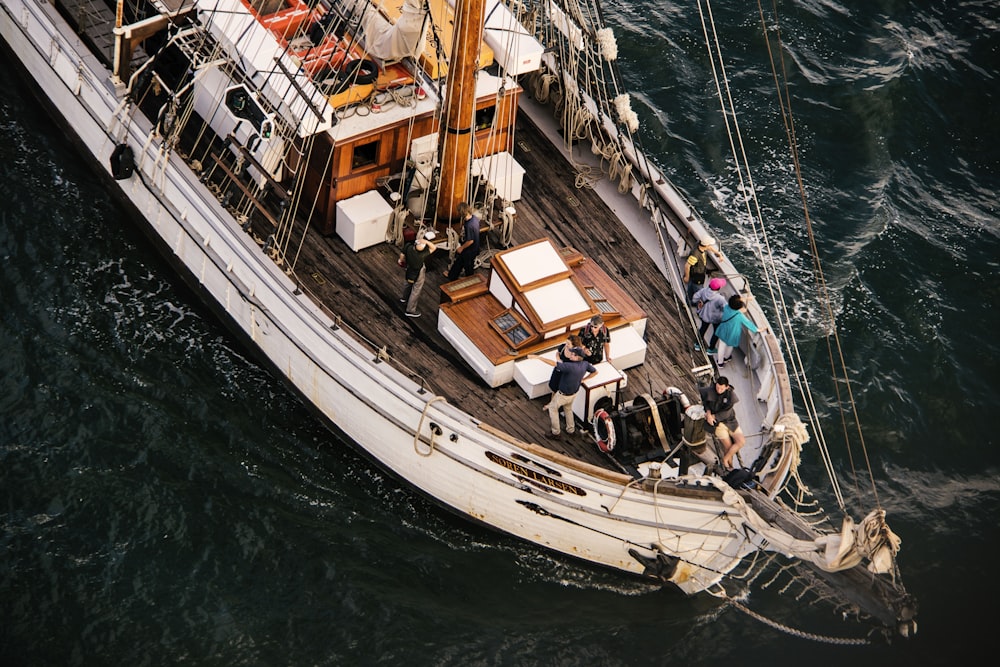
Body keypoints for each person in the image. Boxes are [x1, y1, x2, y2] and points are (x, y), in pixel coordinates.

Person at [529, 347, 597, 440]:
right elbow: (595, 372)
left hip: (562, 395)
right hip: (573, 393)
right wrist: (584, 379)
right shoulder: (585, 364)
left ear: (577, 357)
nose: (570, 355)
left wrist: (539, 358)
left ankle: (556, 432)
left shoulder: (569, 366)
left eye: (572, 354)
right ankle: (571, 430)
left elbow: (554, 364)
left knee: (553, 409)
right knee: (568, 409)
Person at [699, 376, 744, 469]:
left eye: (721, 388)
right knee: (728, 447)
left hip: (730, 421)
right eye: (717, 387)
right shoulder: (709, 391)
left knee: (741, 442)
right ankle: (730, 467)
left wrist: (712, 417)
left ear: (727, 387)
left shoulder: (731, 396)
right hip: (718, 425)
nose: (719, 390)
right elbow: (705, 402)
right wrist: (708, 413)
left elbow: (727, 412)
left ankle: (725, 459)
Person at [399, 230, 438, 318]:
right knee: (416, 290)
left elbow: (402, 256)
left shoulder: (408, 247)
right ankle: (410, 310)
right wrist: (426, 242)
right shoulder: (422, 255)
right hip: (418, 272)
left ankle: (404, 298)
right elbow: (433, 248)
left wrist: (402, 261)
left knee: (408, 284)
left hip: (409, 269)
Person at [714, 294, 759, 368]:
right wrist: (758, 329)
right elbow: (748, 324)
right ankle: (726, 357)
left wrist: (746, 299)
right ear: (739, 307)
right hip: (733, 334)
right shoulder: (739, 315)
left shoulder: (726, 307)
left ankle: (720, 362)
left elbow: (734, 302)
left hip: (723, 330)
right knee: (730, 346)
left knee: (721, 346)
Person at [444, 202, 481, 281]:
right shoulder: (474, 218)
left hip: (469, 250)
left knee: (468, 266)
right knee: (459, 262)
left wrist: (461, 248)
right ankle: (452, 275)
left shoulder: (469, 225)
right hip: (475, 248)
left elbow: (470, 240)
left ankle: (469, 280)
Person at [683, 236, 723, 305]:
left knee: (690, 290)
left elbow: (709, 248)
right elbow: (687, 266)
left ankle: (687, 303)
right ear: (706, 245)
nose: (710, 246)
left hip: (694, 275)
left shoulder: (699, 244)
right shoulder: (695, 255)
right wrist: (686, 277)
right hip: (697, 277)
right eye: (709, 245)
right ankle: (696, 305)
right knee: (700, 293)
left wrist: (718, 253)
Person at [691, 277, 727, 353]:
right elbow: (725, 309)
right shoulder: (720, 298)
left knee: (703, 329)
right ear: (718, 288)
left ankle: (697, 344)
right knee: (716, 332)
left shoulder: (703, 291)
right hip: (716, 318)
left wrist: (699, 303)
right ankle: (711, 349)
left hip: (705, 315)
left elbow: (694, 298)